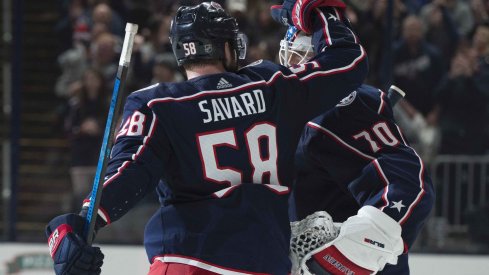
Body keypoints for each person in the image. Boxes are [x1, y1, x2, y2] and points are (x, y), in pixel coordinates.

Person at [45, 1, 369, 274]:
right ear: (225, 46)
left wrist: (79, 222)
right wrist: (322, 12)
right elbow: (348, 61)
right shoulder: (273, 85)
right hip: (261, 261)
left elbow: (128, 174)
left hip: (186, 259)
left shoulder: (157, 103)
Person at [280, 29, 435, 274]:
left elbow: (404, 185)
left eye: (301, 55)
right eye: (291, 54)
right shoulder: (293, 110)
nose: (292, 65)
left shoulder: (336, 115)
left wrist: (342, 258)